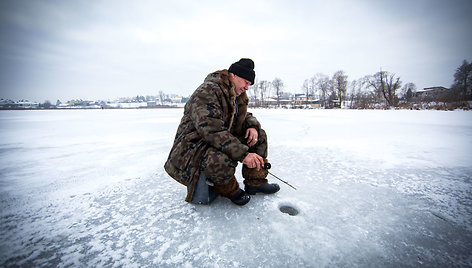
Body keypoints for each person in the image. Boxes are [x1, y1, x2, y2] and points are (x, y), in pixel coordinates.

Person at [164, 58, 280, 206]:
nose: (247, 88)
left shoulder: (236, 95)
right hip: (194, 147)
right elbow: (212, 130)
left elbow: (243, 116)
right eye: (246, 82)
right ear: (233, 75)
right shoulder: (207, 92)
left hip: (213, 139)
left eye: (249, 84)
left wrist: (252, 126)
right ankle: (228, 189)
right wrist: (244, 154)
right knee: (221, 159)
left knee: (259, 136)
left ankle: (255, 182)